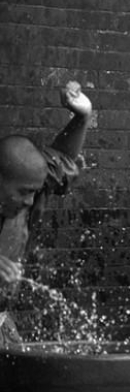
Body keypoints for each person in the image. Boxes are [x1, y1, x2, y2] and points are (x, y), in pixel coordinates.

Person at [0, 81, 94, 346]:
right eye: (23, 192)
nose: (30, 201)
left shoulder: (32, 176)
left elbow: (63, 159)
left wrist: (82, 115)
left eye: (35, 192)